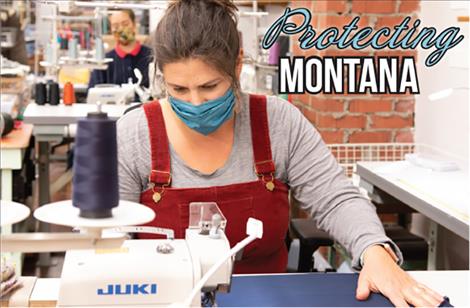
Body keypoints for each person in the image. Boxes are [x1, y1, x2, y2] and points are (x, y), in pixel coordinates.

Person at [117, 1, 443, 306]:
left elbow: (336, 198)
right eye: (178, 90)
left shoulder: (277, 122)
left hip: (267, 299)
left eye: (209, 87)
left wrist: (374, 251)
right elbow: (109, 237)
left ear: (238, 64)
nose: (195, 103)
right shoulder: (136, 133)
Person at [88, 9, 151, 90]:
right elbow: (92, 94)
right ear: (111, 30)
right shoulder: (104, 62)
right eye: (116, 26)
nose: (121, 29)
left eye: (125, 24)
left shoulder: (151, 57)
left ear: (134, 25)